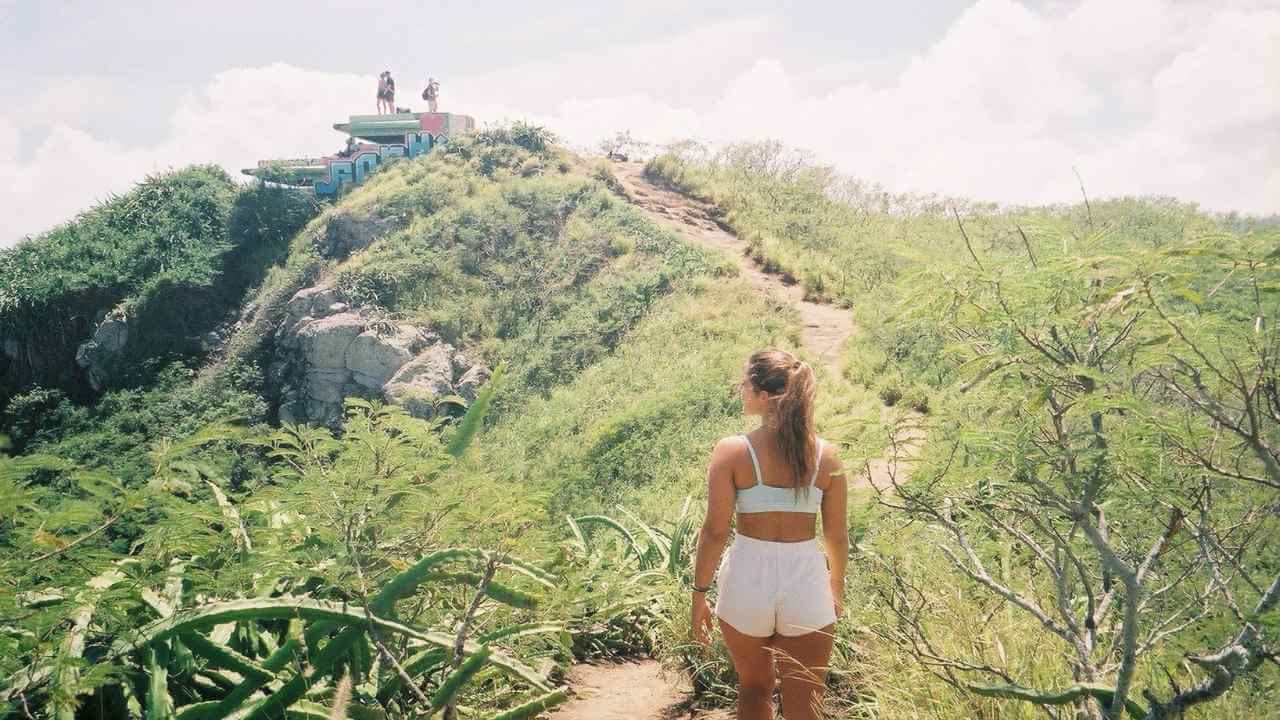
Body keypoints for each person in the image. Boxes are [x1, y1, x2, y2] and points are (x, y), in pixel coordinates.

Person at [691, 348, 848, 720]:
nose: (740, 389)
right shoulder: (827, 456)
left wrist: (699, 593)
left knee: (754, 688)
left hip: (748, 577)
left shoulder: (733, 452)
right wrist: (836, 584)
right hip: (806, 579)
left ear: (763, 396)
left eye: (745, 383)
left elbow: (715, 532)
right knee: (805, 700)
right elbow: (837, 535)